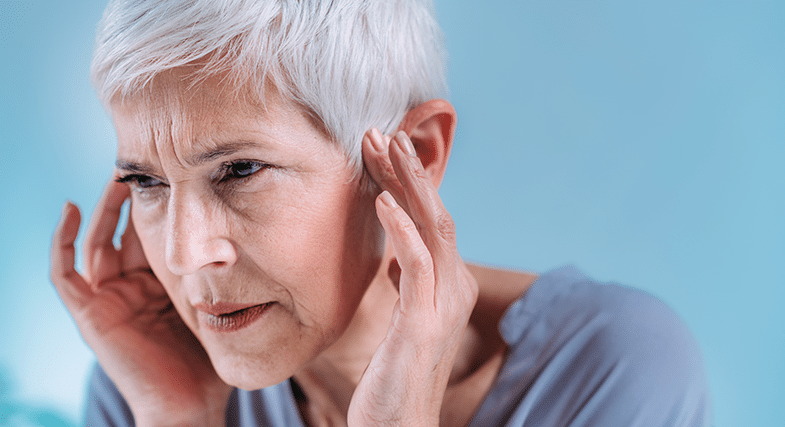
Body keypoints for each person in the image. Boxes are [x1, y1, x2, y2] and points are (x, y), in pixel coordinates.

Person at [50, 0, 711, 426]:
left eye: (240, 170)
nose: (185, 254)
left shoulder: (607, 368)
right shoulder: (147, 375)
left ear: (413, 155)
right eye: (147, 182)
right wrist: (178, 418)